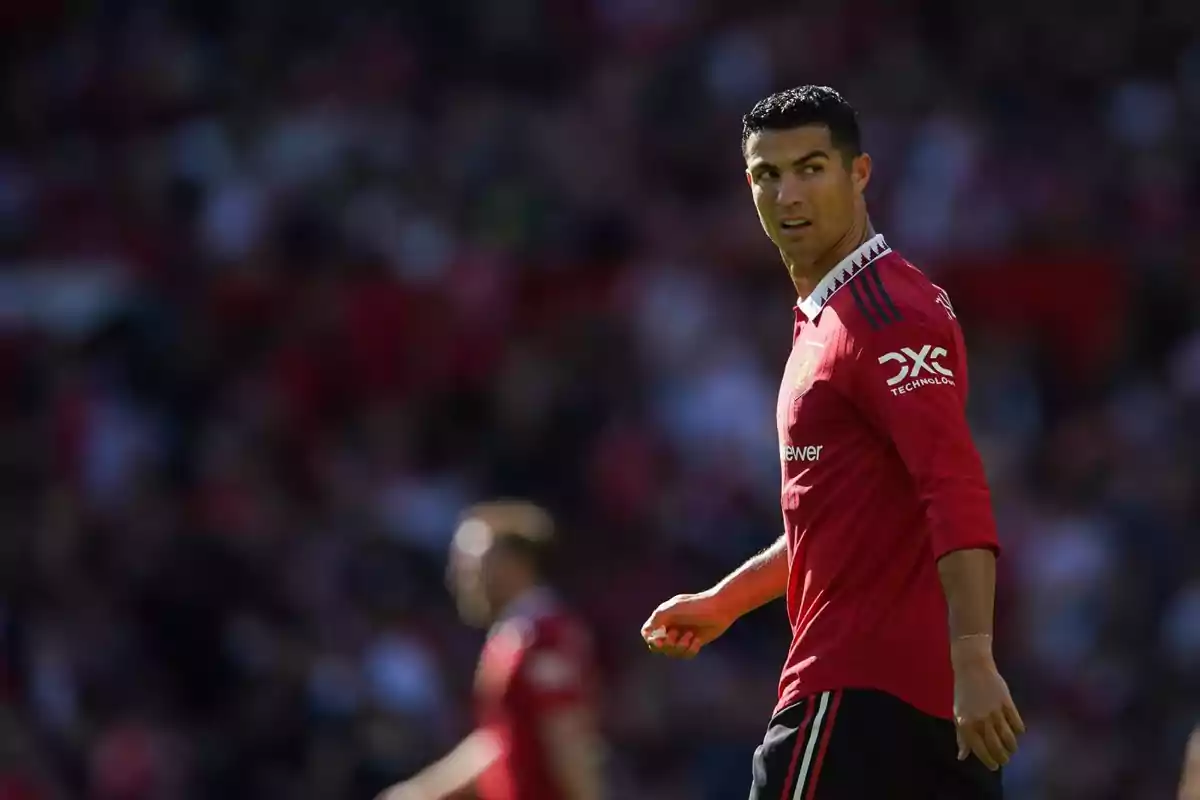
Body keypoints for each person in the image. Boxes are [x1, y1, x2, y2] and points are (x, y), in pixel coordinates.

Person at [641, 85, 1025, 799]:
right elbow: (848, 517)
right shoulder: (836, 316)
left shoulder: (884, 314)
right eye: (767, 174)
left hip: (856, 696)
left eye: (811, 167)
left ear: (860, 174)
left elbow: (954, 483)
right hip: (921, 708)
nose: (788, 193)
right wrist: (728, 600)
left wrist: (974, 655)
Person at [377, 500, 602, 800]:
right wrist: (421, 792)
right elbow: (499, 742)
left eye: (473, 562)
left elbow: (567, 739)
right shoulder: (513, 636)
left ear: (514, 563)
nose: (461, 577)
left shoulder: (545, 636)